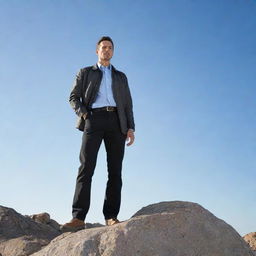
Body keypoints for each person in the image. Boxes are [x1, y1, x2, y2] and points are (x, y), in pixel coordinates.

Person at [62, 36, 135, 231]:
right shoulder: (85, 72)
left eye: (110, 48)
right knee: (86, 168)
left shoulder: (121, 77)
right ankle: (78, 218)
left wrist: (131, 127)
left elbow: (127, 104)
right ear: (97, 51)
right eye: (103, 47)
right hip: (93, 120)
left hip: (116, 122)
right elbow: (73, 97)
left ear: (113, 51)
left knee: (115, 171)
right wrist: (85, 114)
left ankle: (111, 216)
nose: (107, 50)